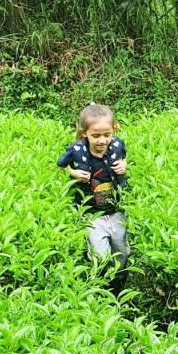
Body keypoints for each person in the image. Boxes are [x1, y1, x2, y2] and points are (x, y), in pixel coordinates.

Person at [57, 103, 130, 275]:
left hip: (115, 211)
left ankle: (117, 283)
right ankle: (100, 285)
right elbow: (60, 166)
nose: (102, 140)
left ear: (114, 129)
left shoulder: (117, 145)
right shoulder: (76, 149)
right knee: (100, 256)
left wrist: (124, 165)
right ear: (84, 134)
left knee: (122, 252)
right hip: (92, 214)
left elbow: (125, 157)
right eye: (96, 135)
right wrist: (73, 173)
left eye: (107, 135)